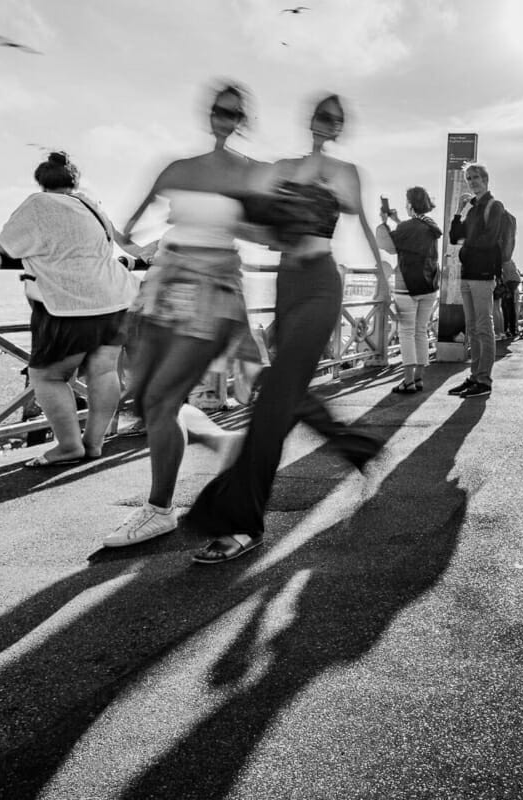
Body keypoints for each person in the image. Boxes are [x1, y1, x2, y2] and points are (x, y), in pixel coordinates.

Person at [189, 93, 391, 564]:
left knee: (274, 402)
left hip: (322, 284)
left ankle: (240, 521)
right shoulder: (280, 167)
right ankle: (355, 445)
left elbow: (359, 222)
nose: (326, 124)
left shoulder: (345, 172)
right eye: (321, 116)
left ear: (339, 128)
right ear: (311, 120)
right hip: (286, 284)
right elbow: (249, 219)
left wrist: (381, 275)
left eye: (334, 119)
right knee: (284, 389)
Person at [102, 81, 260, 548]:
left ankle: (159, 510)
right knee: (146, 397)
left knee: (160, 400)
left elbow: (269, 230)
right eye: (218, 110)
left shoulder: (248, 173)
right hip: (165, 285)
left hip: (212, 293)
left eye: (232, 113)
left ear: (241, 121)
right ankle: (222, 444)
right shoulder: (179, 167)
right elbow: (129, 228)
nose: (223, 119)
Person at [0, 150, 140, 466]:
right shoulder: (91, 204)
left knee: (48, 376)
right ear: (74, 180)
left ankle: (68, 446)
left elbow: (7, 245)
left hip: (69, 302)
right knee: (103, 369)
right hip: (115, 296)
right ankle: (94, 442)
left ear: (41, 181)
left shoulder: (38, 204)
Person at [376, 186, 442, 393]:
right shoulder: (431, 226)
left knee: (406, 332)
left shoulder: (407, 228)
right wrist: (398, 221)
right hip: (429, 285)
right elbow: (414, 233)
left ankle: (407, 380)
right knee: (420, 331)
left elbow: (387, 245)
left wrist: (385, 221)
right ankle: (419, 378)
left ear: (410, 204)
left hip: (407, 285)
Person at [448, 162, 505, 398]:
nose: (472, 182)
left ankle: (484, 380)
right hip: (468, 273)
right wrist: (459, 210)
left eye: (476, 177)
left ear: (485, 179)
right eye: (469, 178)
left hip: (482, 274)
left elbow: (489, 239)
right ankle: (474, 376)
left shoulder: (494, 206)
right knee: (472, 328)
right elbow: (454, 237)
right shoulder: (471, 208)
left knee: (484, 327)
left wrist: (467, 247)